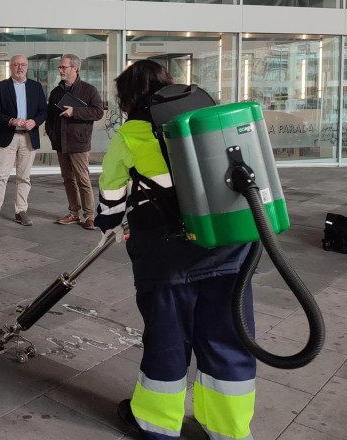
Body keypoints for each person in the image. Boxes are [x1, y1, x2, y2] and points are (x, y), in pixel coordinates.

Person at [94, 60, 254, 440]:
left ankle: (158, 426)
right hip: (231, 251)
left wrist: (108, 224)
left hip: (168, 261)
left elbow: (111, 191)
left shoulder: (132, 132)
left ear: (129, 97)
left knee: (168, 341)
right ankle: (228, 430)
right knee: (228, 340)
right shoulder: (209, 118)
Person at [0, 55, 48, 227]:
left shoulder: (36, 87)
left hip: (29, 137)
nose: (20, 67)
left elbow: (44, 111)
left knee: (24, 177)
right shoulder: (1, 87)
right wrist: (11, 120)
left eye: (23, 65)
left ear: (27, 67)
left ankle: (21, 211)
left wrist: (34, 121)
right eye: (16, 64)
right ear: (10, 67)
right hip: (7, 137)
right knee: (0, 176)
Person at [46, 54, 104, 229]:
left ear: (75, 68)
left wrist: (75, 112)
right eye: (60, 67)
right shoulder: (56, 92)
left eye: (64, 67)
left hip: (79, 142)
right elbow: (50, 117)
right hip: (61, 142)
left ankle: (89, 216)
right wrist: (51, 134)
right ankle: (73, 213)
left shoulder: (89, 90)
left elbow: (98, 112)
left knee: (83, 179)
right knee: (67, 179)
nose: (61, 70)